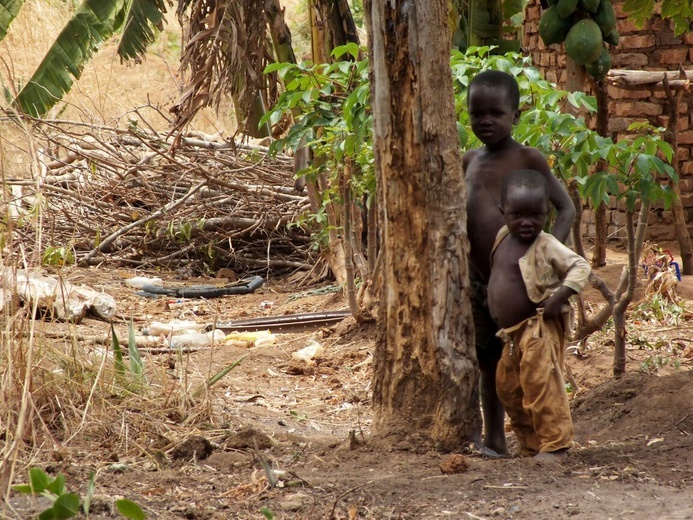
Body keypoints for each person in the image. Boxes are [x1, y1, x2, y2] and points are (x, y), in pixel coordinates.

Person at [462, 70, 575, 456]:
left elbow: (566, 209)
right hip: (479, 282)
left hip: (521, 286)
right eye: (477, 114)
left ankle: (545, 437)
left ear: (516, 115)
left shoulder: (528, 158)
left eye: (496, 113)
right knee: (487, 359)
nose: (486, 121)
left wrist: (543, 257)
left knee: (532, 361)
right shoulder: (469, 161)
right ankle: (494, 438)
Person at [487, 169, 590, 462]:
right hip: (511, 333)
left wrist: (560, 297)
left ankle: (556, 444)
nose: (527, 222)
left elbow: (580, 266)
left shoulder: (545, 244)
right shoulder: (503, 236)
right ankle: (532, 444)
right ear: (502, 211)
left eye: (536, 214)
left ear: (547, 212)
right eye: (517, 214)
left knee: (541, 383)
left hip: (538, 327)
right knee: (508, 387)